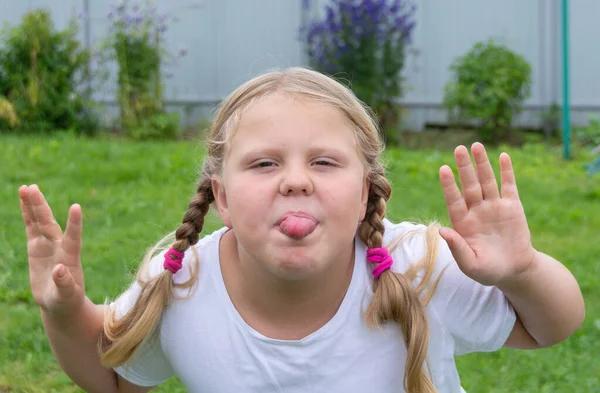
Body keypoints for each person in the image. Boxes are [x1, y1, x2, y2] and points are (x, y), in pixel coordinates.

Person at [19, 67, 584, 393]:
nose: (295, 182)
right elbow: (114, 377)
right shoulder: (181, 281)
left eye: (324, 162)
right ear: (221, 198)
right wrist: (64, 309)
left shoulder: (419, 265)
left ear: (365, 190)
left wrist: (524, 271)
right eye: (264, 164)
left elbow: (549, 328)